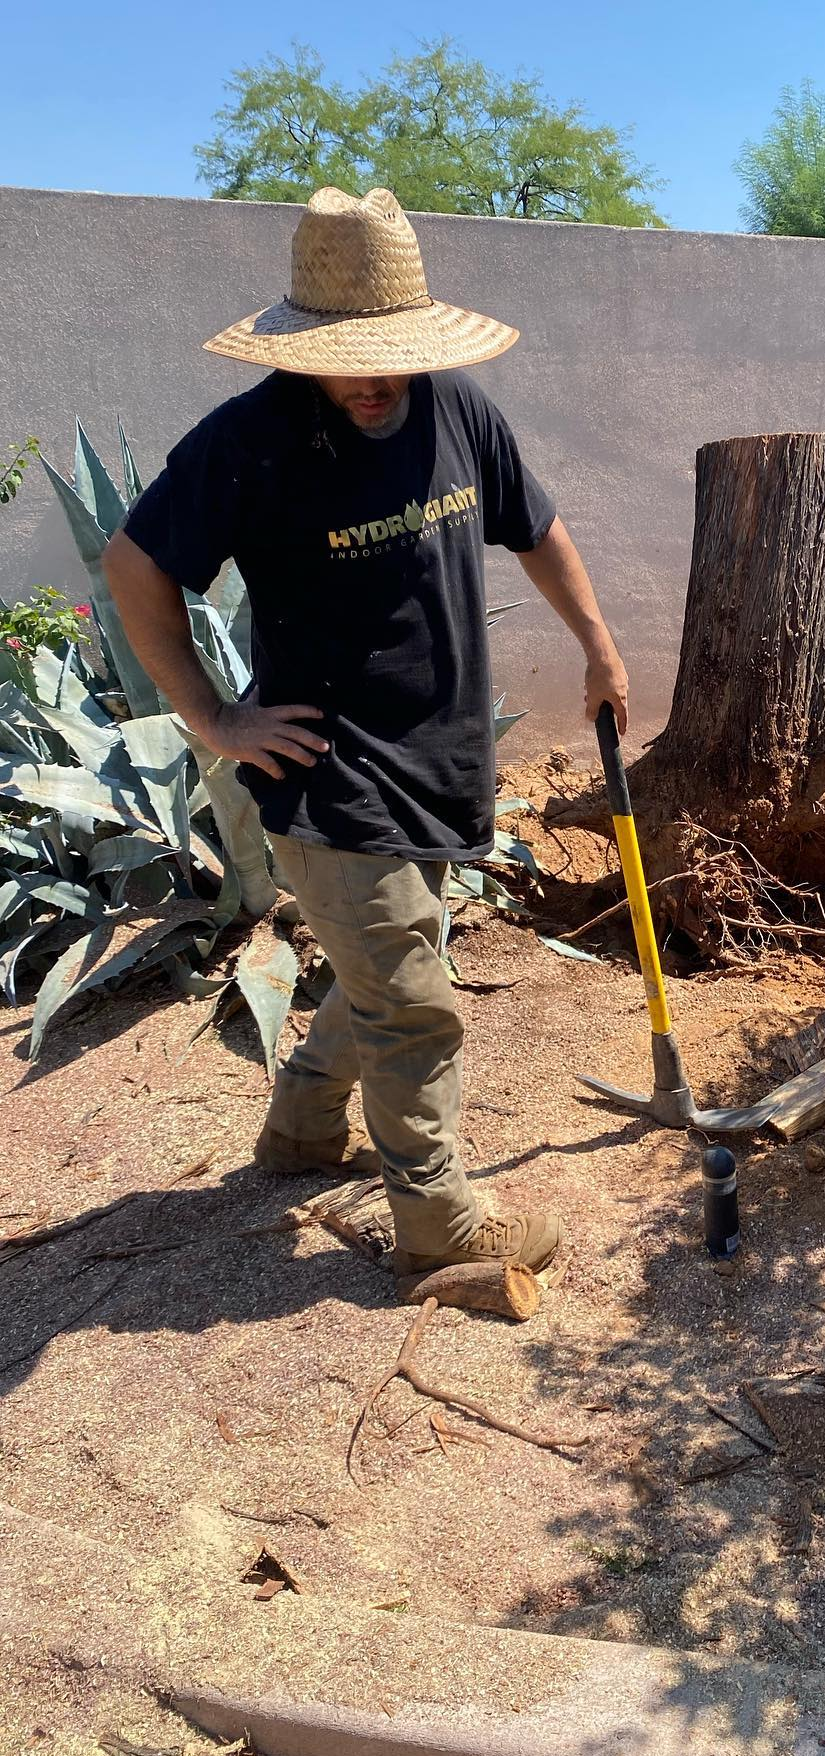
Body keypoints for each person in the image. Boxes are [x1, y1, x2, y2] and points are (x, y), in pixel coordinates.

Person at [103, 186, 629, 1294]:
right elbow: (134, 564)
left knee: (386, 974)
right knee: (415, 1006)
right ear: (305, 352)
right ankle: (440, 1224)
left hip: (437, 763)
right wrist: (214, 717)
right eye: (355, 360)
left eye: (391, 355)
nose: (378, 378)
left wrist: (596, 642)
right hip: (327, 778)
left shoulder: (455, 410)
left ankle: (298, 1136)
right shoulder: (251, 443)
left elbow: (534, 525)